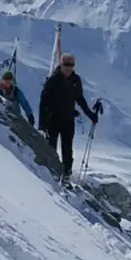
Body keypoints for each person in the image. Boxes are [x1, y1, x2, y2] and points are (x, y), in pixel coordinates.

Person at [38, 53, 98, 182]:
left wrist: (90, 114)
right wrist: (42, 123)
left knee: (67, 148)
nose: (69, 68)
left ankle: (66, 174)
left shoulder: (75, 80)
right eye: (66, 64)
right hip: (52, 119)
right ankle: (51, 170)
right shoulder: (53, 80)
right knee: (51, 146)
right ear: (61, 64)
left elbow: (80, 99)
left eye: (71, 65)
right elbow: (43, 100)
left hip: (67, 119)